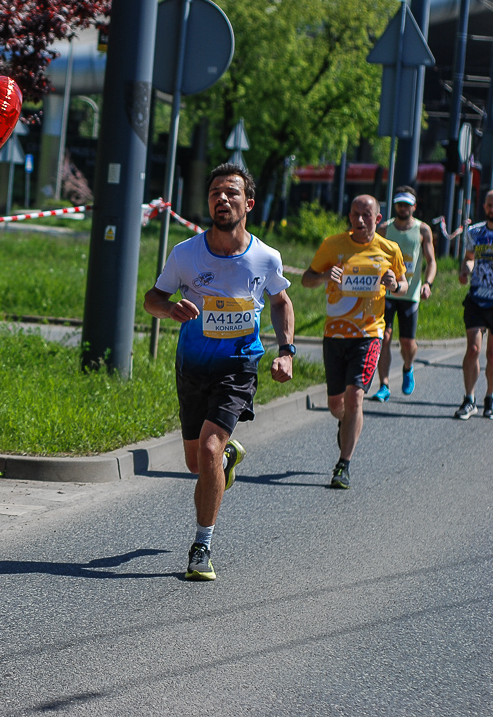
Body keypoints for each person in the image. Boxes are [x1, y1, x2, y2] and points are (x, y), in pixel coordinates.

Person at [144, 163, 295, 582]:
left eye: (231, 192)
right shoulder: (186, 254)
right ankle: (226, 457)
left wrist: (287, 351)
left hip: (239, 364)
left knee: (208, 450)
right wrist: (169, 307)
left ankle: (201, 546)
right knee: (197, 462)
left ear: (248, 203)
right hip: (192, 365)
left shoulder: (265, 257)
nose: (221, 199)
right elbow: (152, 298)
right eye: (214, 193)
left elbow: (281, 301)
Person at [302, 195, 407, 489]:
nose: (359, 221)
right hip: (335, 333)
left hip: (369, 333)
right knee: (336, 403)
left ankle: (343, 465)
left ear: (378, 219)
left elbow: (403, 282)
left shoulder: (389, 249)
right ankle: (344, 421)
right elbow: (307, 279)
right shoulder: (333, 245)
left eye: (365, 215)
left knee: (355, 396)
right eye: (354, 214)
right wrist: (324, 276)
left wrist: (394, 284)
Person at [372, 187, 436, 401]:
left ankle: (408, 368)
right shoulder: (383, 229)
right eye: (400, 204)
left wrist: (427, 284)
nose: (403, 208)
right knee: (384, 338)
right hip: (386, 293)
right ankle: (384, 385)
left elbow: (431, 261)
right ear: (395, 205)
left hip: (410, 294)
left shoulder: (422, 229)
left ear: (413, 207)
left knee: (407, 343)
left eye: (407, 205)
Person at [454, 189, 493, 420]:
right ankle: (469, 399)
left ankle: (490, 397)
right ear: (485, 206)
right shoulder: (475, 232)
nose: (492, 209)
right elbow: (469, 258)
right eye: (489, 204)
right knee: (473, 349)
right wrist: (464, 271)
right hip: (477, 299)